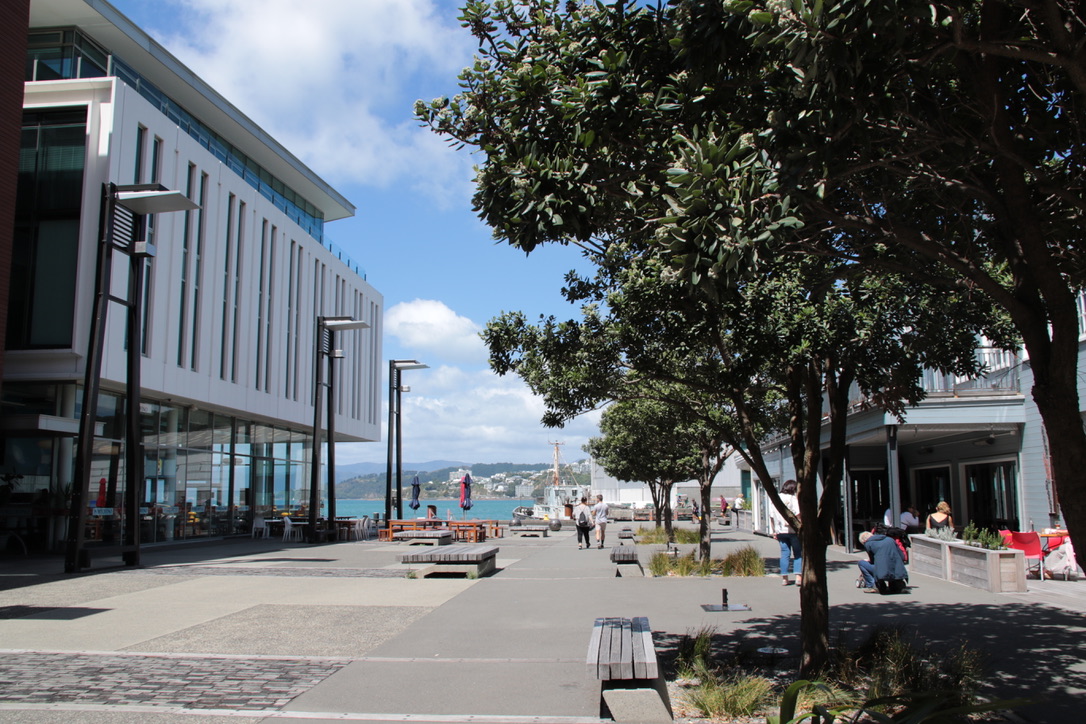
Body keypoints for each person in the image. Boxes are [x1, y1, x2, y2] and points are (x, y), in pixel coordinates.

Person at [769, 480, 802, 586]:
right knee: (798, 553)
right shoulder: (793, 498)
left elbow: (771, 516)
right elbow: (798, 513)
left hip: (780, 530)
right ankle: (798, 577)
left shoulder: (775, 499)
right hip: (793, 530)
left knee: (784, 554)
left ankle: (785, 578)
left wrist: (774, 531)